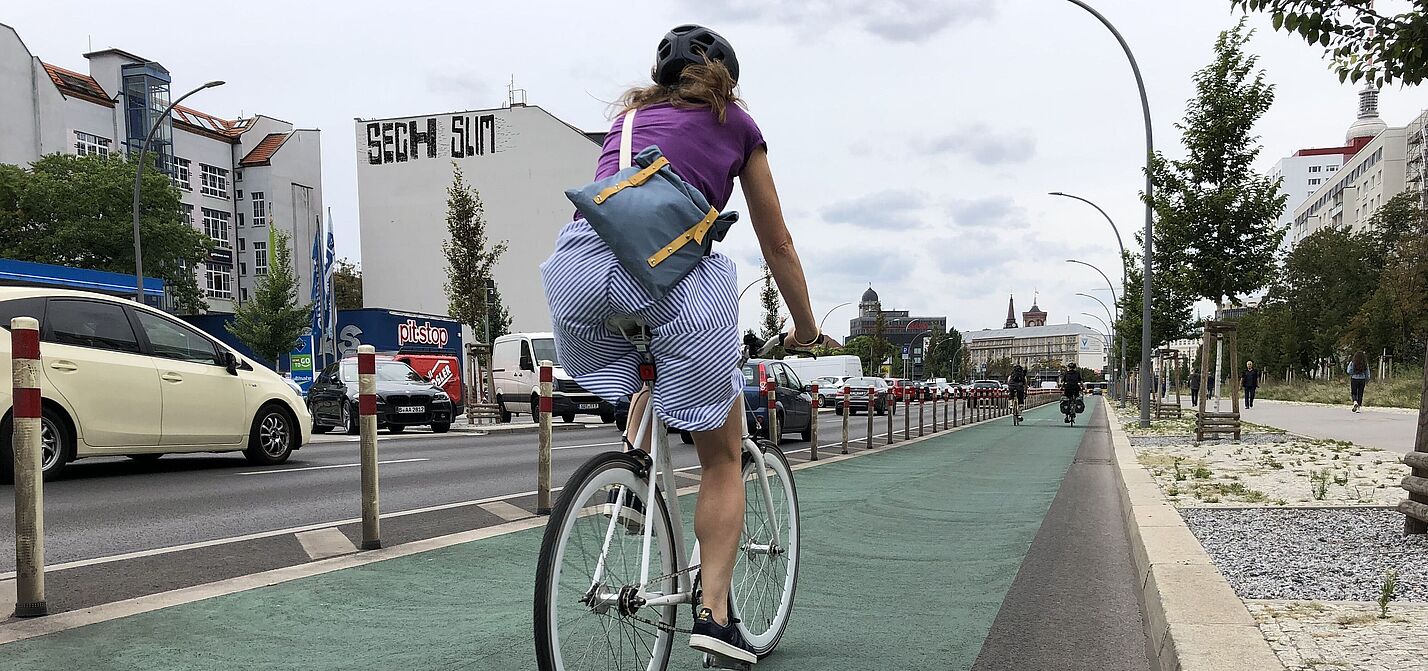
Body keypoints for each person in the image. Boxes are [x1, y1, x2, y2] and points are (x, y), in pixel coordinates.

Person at [540, 25, 828, 664]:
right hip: (672, 284)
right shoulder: (738, 127)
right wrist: (806, 326)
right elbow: (777, 243)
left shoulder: (631, 118)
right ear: (726, 80)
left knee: (645, 371)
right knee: (723, 456)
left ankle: (631, 480)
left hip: (576, 275)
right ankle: (715, 613)